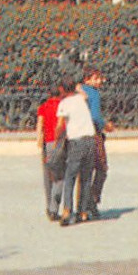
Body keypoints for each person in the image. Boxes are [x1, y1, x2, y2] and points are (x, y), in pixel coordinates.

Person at [55, 75, 97, 226]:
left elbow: (60, 125)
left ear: (62, 89)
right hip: (90, 139)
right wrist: (78, 88)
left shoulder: (64, 103)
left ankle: (67, 210)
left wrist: (57, 138)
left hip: (77, 141)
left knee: (70, 176)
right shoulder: (81, 99)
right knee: (86, 177)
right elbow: (85, 95)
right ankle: (83, 211)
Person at [35, 79, 69, 220]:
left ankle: (49, 206)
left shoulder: (43, 107)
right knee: (60, 176)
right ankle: (55, 207)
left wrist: (39, 143)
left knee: (48, 176)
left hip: (46, 143)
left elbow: (40, 126)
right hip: (61, 142)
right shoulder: (63, 106)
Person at [83, 67, 110, 217]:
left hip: (79, 134)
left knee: (84, 172)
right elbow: (96, 117)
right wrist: (105, 126)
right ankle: (92, 199)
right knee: (102, 167)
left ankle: (83, 205)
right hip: (94, 134)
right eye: (96, 78)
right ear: (87, 79)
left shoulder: (79, 92)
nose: (99, 81)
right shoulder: (93, 94)